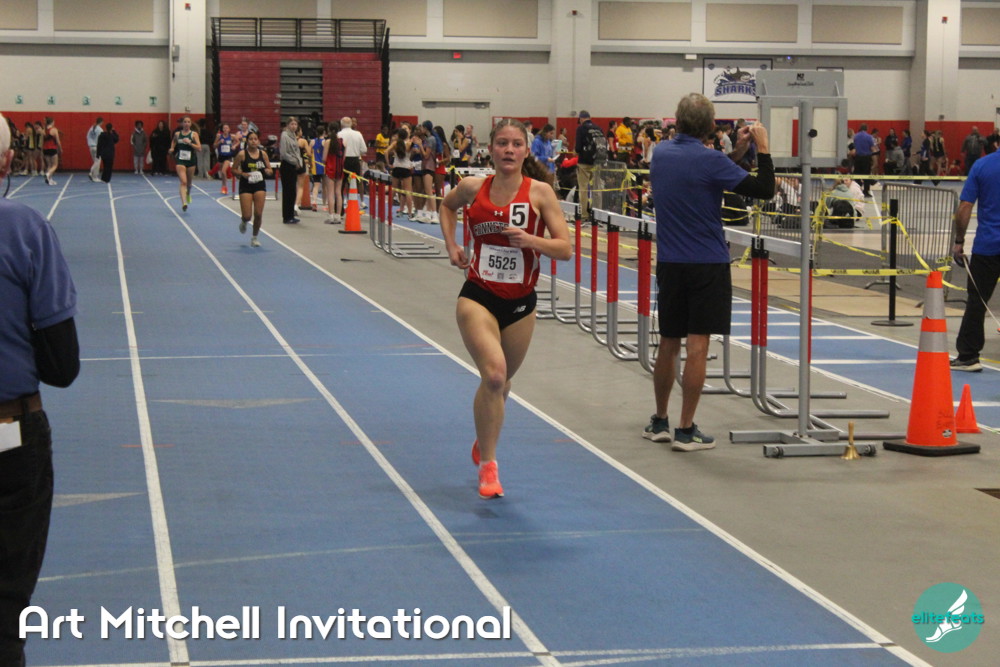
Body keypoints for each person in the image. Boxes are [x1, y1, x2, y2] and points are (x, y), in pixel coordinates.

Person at [438, 118, 572, 499]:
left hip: (521, 304)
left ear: (526, 151)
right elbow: (447, 207)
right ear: (491, 149)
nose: (509, 150)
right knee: (495, 377)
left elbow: (565, 248)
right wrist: (452, 246)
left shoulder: (540, 193)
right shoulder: (473, 187)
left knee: (501, 383)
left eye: (516, 144)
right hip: (478, 296)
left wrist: (531, 241)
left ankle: (485, 434)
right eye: (502, 143)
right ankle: (489, 466)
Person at [644, 93, 774, 450]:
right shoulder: (710, 160)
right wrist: (762, 148)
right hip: (707, 263)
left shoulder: (662, 154)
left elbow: (703, 172)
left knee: (669, 342)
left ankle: (660, 421)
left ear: (678, 120)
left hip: (670, 262)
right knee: (698, 345)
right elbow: (764, 189)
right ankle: (686, 429)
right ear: (711, 126)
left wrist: (737, 152)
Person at [0, 111, 80, 667]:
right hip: (9, 433)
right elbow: (62, 365)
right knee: (6, 612)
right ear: (9, 161)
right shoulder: (26, 230)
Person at [951, 144, 1000, 372]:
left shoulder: (982, 166)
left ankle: (969, 356)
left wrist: (959, 240)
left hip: (988, 246)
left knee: (977, 302)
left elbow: (965, 206)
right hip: (988, 246)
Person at [232, 129, 273, 248]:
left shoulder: (263, 154)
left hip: (259, 185)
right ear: (247, 141)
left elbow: (270, 169)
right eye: (251, 139)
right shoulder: (242, 154)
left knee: (258, 214)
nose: (253, 141)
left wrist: (268, 171)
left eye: (255, 139)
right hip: (246, 185)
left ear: (258, 141)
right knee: (247, 215)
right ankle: (244, 221)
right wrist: (242, 174)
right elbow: (233, 169)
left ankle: (254, 237)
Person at [574, 110, 606, 218]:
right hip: (597, 162)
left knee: (583, 188)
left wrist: (576, 151)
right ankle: (597, 214)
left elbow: (578, 148)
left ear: (581, 119)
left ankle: (584, 214)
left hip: (584, 162)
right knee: (596, 189)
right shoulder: (598, 128)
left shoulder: (581, 128)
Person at [170, 116, 200, 212]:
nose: (186, 124)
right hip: (180, 160)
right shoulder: (177, 134)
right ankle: (184, 203)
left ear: (190, 124)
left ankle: (188, 194)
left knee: (189, 183)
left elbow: (199, 148)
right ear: (182, 124)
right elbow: (174, 141)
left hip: (191, 161)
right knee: (183, 182)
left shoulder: (194, 134)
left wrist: (190, 143)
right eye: (185, 122)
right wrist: (172, 148)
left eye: (188, 122)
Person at [278, 117, 303, 224]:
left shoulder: (293, 135)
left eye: (295, 124)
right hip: (287, 165)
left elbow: (297, 151)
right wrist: (294, 162)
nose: (294, 126)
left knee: (292, 192)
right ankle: (287, 216)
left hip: (293, 166)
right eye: (292, 124)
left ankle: (291, 214)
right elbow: (284, 153)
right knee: (288, 192)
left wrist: (299, 162)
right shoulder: (284, 135)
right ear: (288, 125)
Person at [323, 120, 345, 224]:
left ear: (328, 130)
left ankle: (331, 215)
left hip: (330, 168)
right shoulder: (343, 142)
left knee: (330, 193)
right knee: (338, 193)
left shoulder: (328, 142)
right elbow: (344, 157)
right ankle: (338, 216)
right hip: (340, 169)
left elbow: (324, 158)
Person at [852, 123, 875, 197]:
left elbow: (854, 147)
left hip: (858, 157)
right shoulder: (869, 137)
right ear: (866, 129)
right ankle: (866, 191)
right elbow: (872, 148)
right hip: (866, 158)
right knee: (866, 175)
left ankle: (858, 188)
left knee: (856, 174)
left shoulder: (856, 136)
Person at [41, 117, 61, 186]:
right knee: (55, 165)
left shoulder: (43, 130)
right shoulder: (54, 130)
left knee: (49, 165)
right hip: (52, 148)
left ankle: (49, 179)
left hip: (45, 149)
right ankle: (48, 174)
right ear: (52, 122)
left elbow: (42, 141)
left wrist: (42, 149)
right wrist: (60, 148)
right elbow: (58, 141)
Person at [86, 116, 103, 182]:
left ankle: (94, 177)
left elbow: (87, 136)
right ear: (101, 122)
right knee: (97, 162)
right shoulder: (100, 130)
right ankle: (91, 172)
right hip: (96, 147)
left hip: (91, 147)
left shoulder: (91, 128)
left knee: (96, 162)